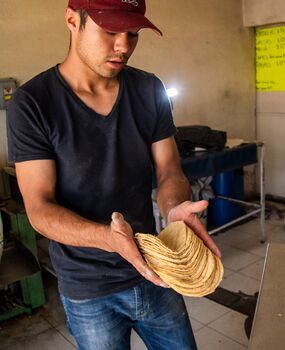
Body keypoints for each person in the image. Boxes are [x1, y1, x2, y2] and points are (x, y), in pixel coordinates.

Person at [7, 1, 221, 349]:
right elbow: (40, 209)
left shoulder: (149, 89)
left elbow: (169, 169)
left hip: (154, 269)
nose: (124, 46)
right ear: (72, 19)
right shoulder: (32, 105)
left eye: (133, 33)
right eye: (110, 31)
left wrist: (174, 208)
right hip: (89, 291)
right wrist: (108, 238)